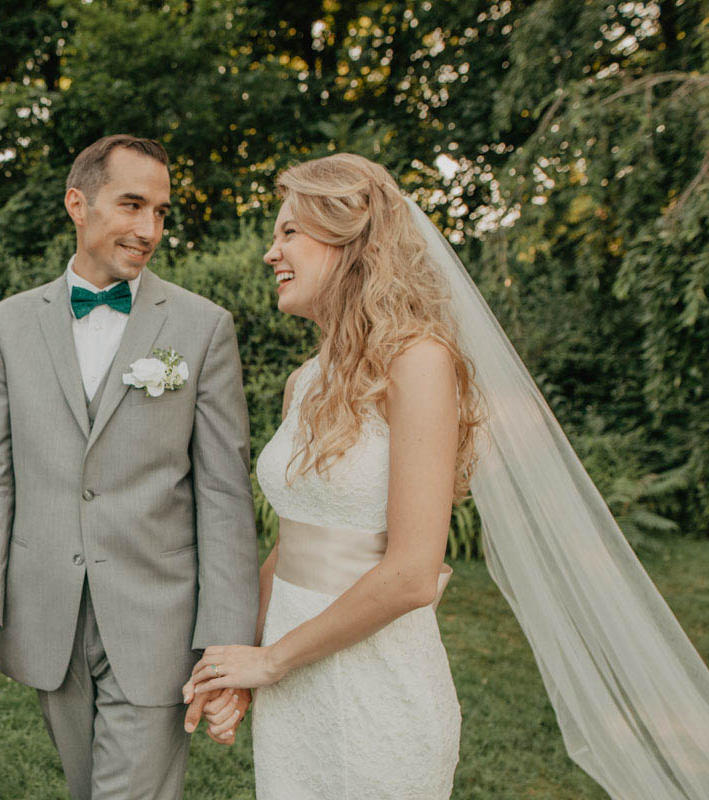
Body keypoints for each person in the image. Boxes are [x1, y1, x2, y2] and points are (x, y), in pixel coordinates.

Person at [184, 153, 709, 799]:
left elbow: (410, 576)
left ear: (352, 241)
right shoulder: (306, 380)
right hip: (296, 687)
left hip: (380, 688)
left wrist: (271, 659)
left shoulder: (419, 363)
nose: (271, 253)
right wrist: (244, 663)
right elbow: (295, 546)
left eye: (288, 231)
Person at [0, 134, 259, 800]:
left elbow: (224, 494)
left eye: (161, 212)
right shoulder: (5, 327)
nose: (149, 229)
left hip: (159, 624)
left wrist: (227, 645)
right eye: (132, 205)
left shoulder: (203, 328)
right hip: (48, 623)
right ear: (77, 204)